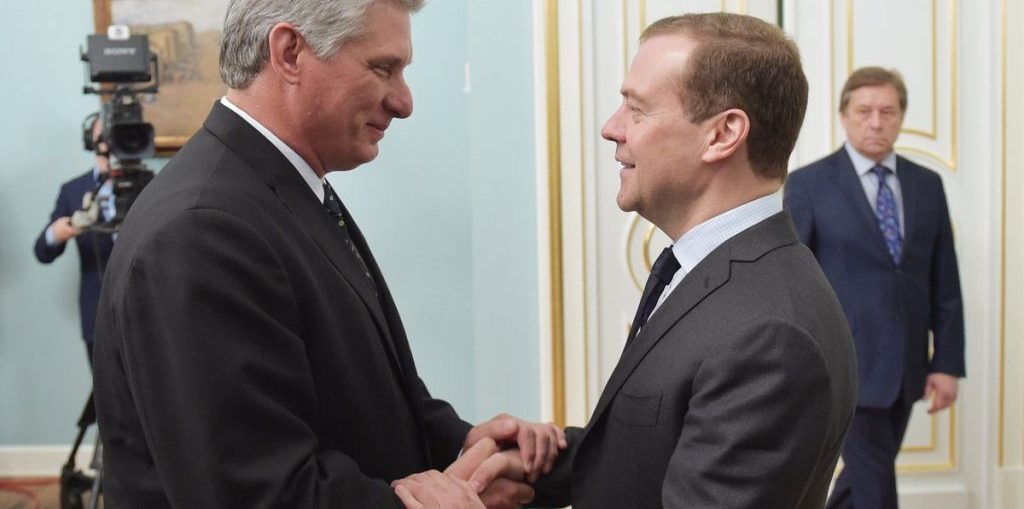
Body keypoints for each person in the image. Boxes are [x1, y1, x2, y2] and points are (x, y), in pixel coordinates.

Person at [92, 1, 562, 508]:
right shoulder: (201, 229)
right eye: (383, 68)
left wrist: (470, 447)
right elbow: (257, 492)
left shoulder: (283, 189)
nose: (404, 102)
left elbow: (365, 400)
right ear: (290, 52)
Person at [491, 12, 857, 508]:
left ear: (723, 134)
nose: (611, 128)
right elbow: (654, 451)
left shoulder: (770, 336)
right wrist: (537, 465)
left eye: (636, 110)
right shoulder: (712, 272)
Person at [785, 66, 965, 509]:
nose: (876, 122)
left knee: (865, 478)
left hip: (906, 366)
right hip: (842, 364)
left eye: (888, 111)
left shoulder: (927, 185)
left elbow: (945, 280)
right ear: (844, 116)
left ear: (902, 117)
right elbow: (793, 281)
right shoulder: (809, 184)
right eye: (864, 111)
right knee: (875, 489)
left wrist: (946, 363)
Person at [34, 114, 114, 367]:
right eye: (103, 134)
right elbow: (42, 251)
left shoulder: (148, 185)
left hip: (147, 310)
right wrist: (55, 233)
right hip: (97, 311)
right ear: (90, 140)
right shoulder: (73, 190)